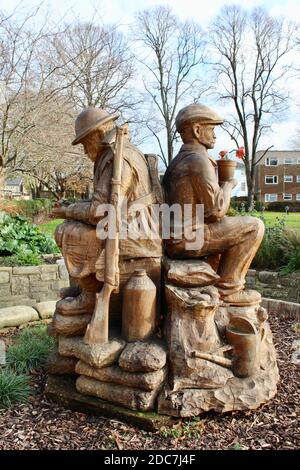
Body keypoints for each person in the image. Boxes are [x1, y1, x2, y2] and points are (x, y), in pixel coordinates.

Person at [53, 107, 162, 315]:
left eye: (86, 142)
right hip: (129, 222)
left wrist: (68, 212)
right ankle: (84, 286)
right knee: (71, 226)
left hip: (137, 230)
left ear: (100, 134)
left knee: (67, 231)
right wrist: (70, 207)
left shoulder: (117, 157)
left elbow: (101, 212)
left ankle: (90, 294)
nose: (85, 150)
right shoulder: (111, 153)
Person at [163, 103, 264, 306]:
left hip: (176, 238)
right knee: (254, 226)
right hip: (190, 238)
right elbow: (216, 210)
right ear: (197, 130)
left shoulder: (176, 162)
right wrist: (228, 185)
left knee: (232, 225)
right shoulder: (198, 160)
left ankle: (219, 283)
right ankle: (229, 290)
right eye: (211, 129)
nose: (215, 135)